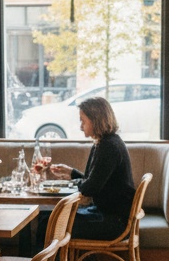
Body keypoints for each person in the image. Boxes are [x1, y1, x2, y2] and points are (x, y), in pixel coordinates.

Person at [49, 96, 137, 241]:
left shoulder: (108, 147)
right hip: (107, 214)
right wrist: (71, 173)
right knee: (48, 217)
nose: (80, 126)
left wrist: (74, 181)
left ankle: (44, 257)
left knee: (50, 221)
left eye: (83, 121)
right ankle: (51, 256)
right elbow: (93, 180)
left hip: (113, 222)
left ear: (95, 120)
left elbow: (90, 188)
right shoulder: (105, 142)